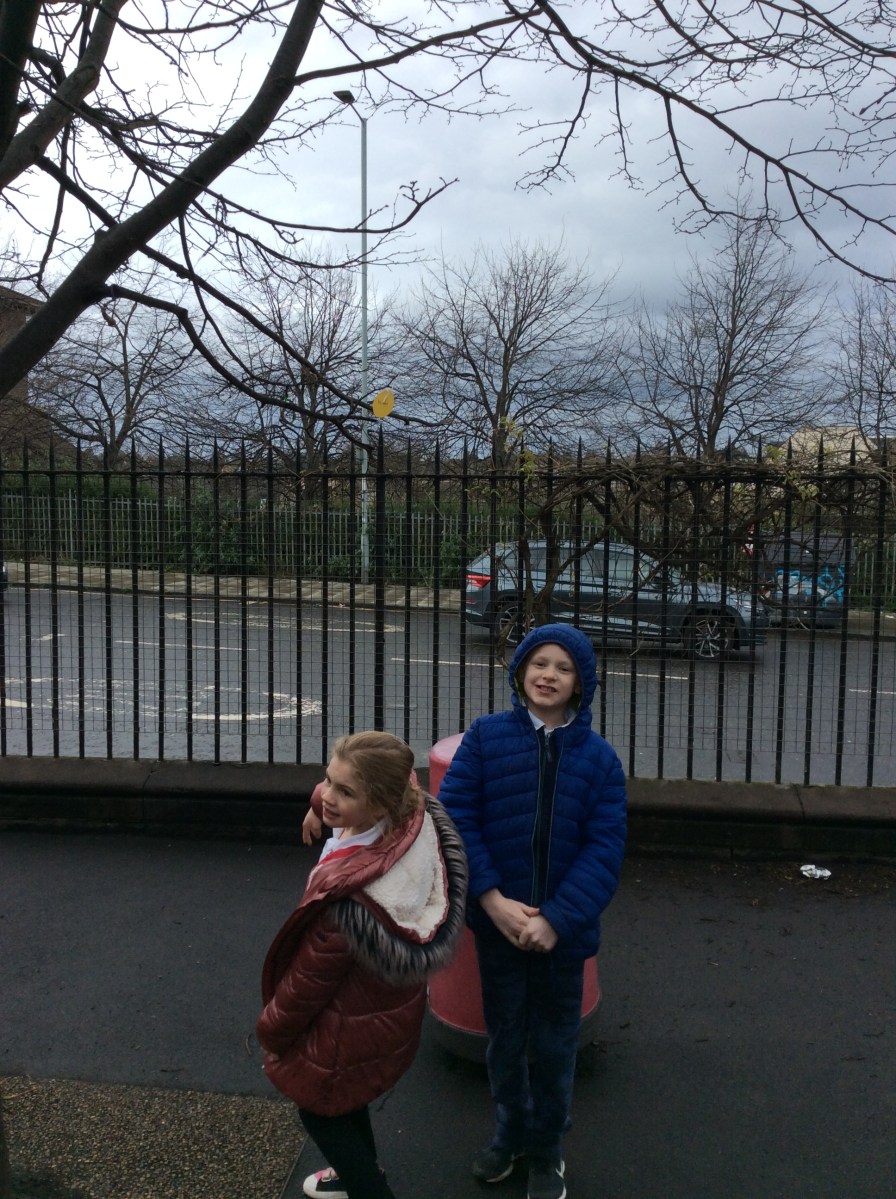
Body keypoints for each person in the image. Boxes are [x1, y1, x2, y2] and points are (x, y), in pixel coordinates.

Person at [437, 624, 626, 1199]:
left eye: (563, 668)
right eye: (539, 663)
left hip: (562, 937)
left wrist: (556, 919)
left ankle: (547, 1150)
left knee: (554, 1045)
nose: (548, 675)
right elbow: (456, 819)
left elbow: (604, 848)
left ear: (581, 684)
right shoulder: (486, 737)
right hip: (498, 926)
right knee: (505, 1037)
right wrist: (491, 899)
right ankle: (509, 1134)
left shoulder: (600, 760)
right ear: (520, 672)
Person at [256, 731, 468, 1199]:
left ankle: (368, 1186)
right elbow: (346, 786)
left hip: (343, 1025)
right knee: (345, 1099)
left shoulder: (349, 906)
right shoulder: (407, 814)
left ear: (379, 805)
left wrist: (271, 1029)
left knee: (320, 1110)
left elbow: (306, 985)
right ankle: (358, 1174)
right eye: (327, 781)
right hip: (377, 1017)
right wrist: (319, 805)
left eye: (343, 792)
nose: (328, 795)